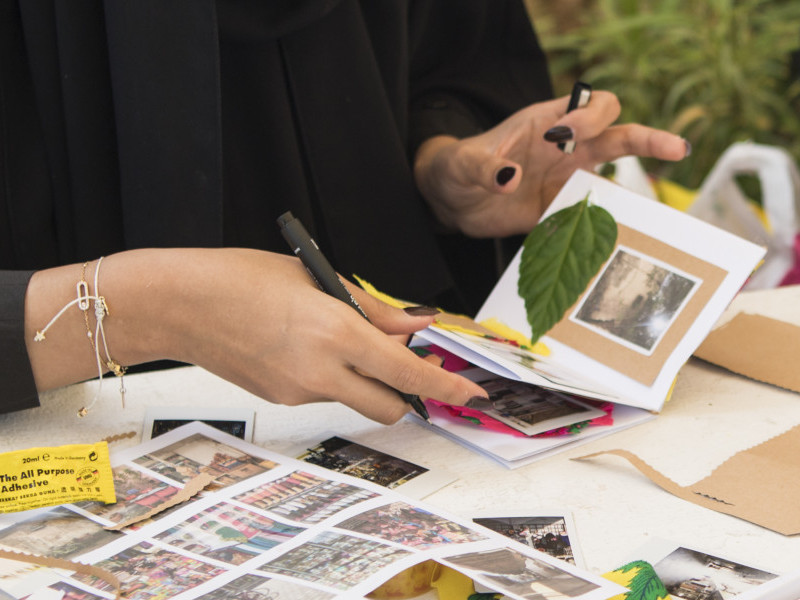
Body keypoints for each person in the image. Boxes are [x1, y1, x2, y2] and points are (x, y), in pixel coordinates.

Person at [0, 0, 689, 423]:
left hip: (401, 432)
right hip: (80, 436)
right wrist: (153, 311)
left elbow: (446, 50)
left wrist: (443, 166)